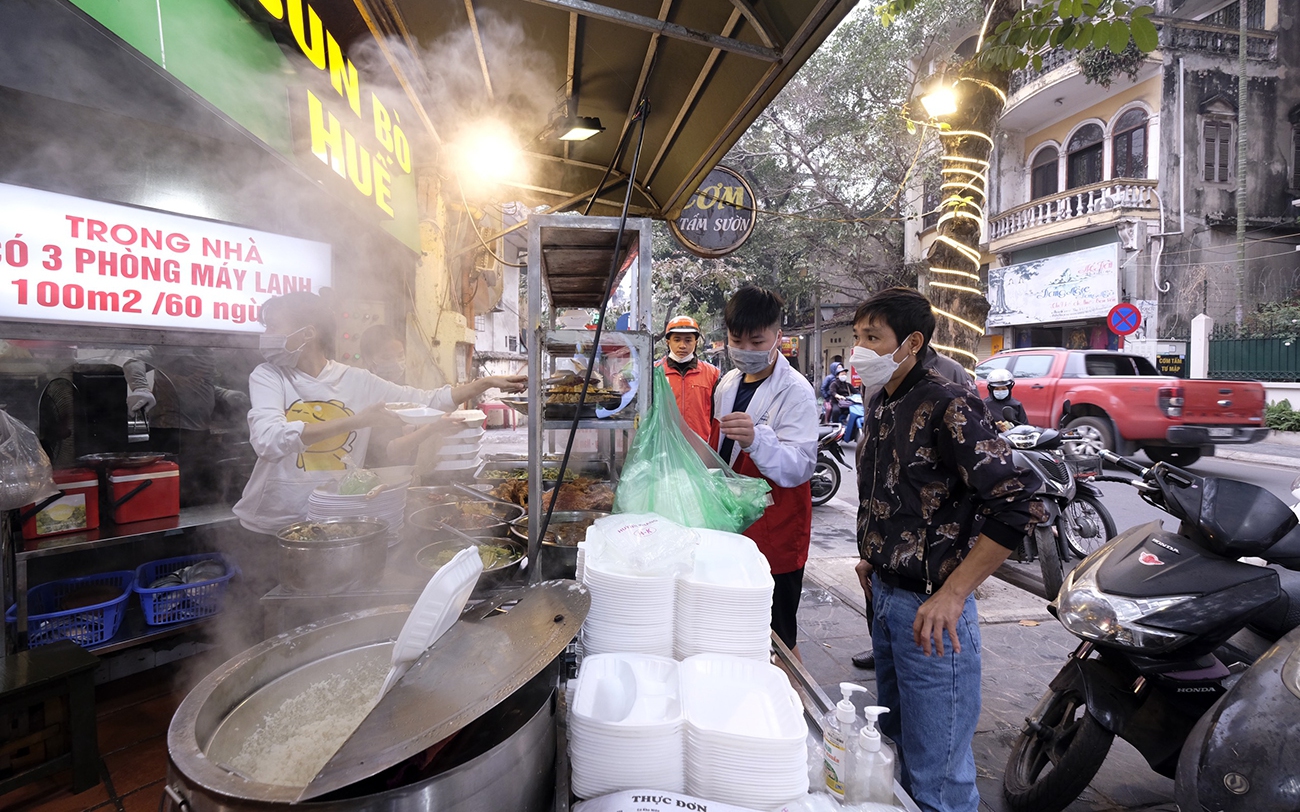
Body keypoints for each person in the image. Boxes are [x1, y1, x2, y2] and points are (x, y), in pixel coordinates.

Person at [850, 288, 1042, 812]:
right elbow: (900, 492)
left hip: (934, 613)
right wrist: (879, 552)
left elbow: (1014, 504)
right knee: (898, 753)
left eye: (872, 338)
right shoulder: (883, 401)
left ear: (911, 342)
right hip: (887, 600)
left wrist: (956, 593)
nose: (858, 350)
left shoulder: (948, 402)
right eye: (857, 337)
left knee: (939, 776)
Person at [233, 292, 526, 536]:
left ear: (308, 333)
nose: (266, 336)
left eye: (272, 326)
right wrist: (360, 420)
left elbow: (426, 400)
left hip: (336, 519)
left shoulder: (357, 381)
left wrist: (483, 383)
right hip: (271, 524)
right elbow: (268, 440)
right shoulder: (269, 376)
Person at [713, 286, 818, 656]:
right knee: (737, 629)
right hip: (734, 526)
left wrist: (758, 441)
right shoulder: (728, 383)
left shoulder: (796, 392)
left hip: (777, 529)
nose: (746, 350)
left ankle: (789, 701)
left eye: (757, 341)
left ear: (777, 337)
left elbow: (801, 466)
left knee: (777, 637)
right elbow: (721, 453)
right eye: (736, 340)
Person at [358, 323, 453, 466]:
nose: (396, 363)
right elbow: (389, 450)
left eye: (400, 355)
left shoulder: (404, 392)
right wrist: (433, 428)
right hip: (375, 479)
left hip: (404, 476)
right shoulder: (365, 398)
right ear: (367, 359)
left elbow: (413, 426)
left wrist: (439, 422)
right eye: (386, 357)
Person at [655, 315, 720, 441]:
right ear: (668, 342)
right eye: (677, 340)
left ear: (696, 342)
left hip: (699, 446)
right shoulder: (655, 372)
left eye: (688, 340)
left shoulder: (712, 374)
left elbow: (717, 415)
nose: (682, 345)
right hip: (665, 445)